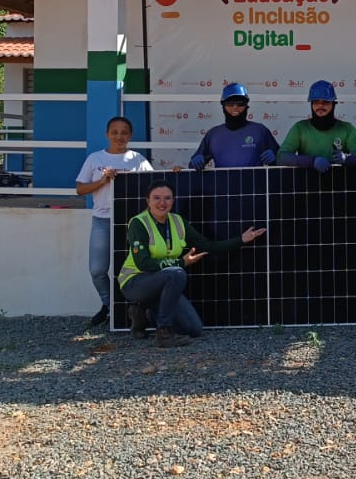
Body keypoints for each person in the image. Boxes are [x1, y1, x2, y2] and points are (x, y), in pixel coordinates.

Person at [117, 180, 267, 346]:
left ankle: (142, 313)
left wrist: (241, 240)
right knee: (177, 273)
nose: (162, 203)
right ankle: (164, 333)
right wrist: (181, 262)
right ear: (148, 200)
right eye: (156, 198)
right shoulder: (138, 223)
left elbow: (207, 246)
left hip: (163, 283)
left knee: (194, 328)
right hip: (135, 282)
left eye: (167, 198)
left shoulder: (177, 221)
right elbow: (143, 263)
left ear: (173, 201)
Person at [75, 116, 154, 327]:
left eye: (124, 132)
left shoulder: (138, 160)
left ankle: (134, 310)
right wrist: (102, 181)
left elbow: (155, 186)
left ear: (130, 135)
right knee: (98, 270)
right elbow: (80, 189)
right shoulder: (95, 159)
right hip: (102, 221)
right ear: (107, 134)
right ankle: (110, 305)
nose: (119, 136)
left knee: (131, 270)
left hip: (133, 223)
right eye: (115, 132)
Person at [278, 79, 356, 173]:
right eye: (316, 102)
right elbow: (281, 157)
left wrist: (347, 159)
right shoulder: (300, 128)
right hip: (306, 183)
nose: (320, 106)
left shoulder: (347, 128)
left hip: (339, 182)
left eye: (325, 102)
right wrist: (312, 161)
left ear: (333, 104)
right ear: (311, 104)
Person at [187, 83, 279, 169]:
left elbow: (282, 160)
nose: (235, 107)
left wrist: (275, 159)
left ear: (246, 105)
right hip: (223, 185)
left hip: (254, 185)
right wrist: (195, 163)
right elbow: (192, 166)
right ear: (223, 106)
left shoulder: (260, 131)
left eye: (240, 103)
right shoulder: (213, 135)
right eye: (230, 103)